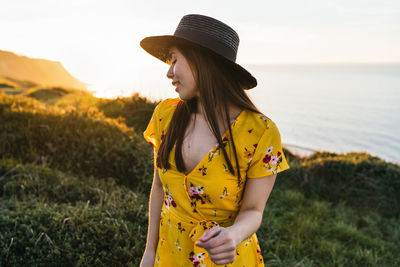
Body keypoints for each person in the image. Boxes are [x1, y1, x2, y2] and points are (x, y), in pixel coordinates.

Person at [140, 14, 290, 267]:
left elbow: (254, 210)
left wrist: (233, 235)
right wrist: (149, 254)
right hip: (170, 254)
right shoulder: (165, 115)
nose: (169, 72)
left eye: (174, 59)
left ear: (204, 61)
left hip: (225, 260)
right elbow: (158, 188)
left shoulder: (260, 132)